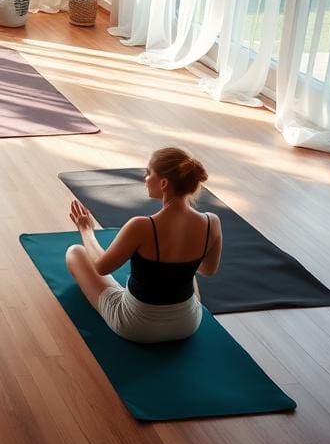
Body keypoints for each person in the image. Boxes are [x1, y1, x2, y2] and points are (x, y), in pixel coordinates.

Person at [64, 147, 223, 343]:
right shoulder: (211, 222)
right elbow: (207, 270)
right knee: (187, 274)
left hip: (136, 327)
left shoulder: (141, 226)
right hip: (187, 324)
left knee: (75, 253)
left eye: (149, 173)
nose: (145, 178)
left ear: (163, 183)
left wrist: (86, 229)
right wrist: (179, 257)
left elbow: (101, 267)